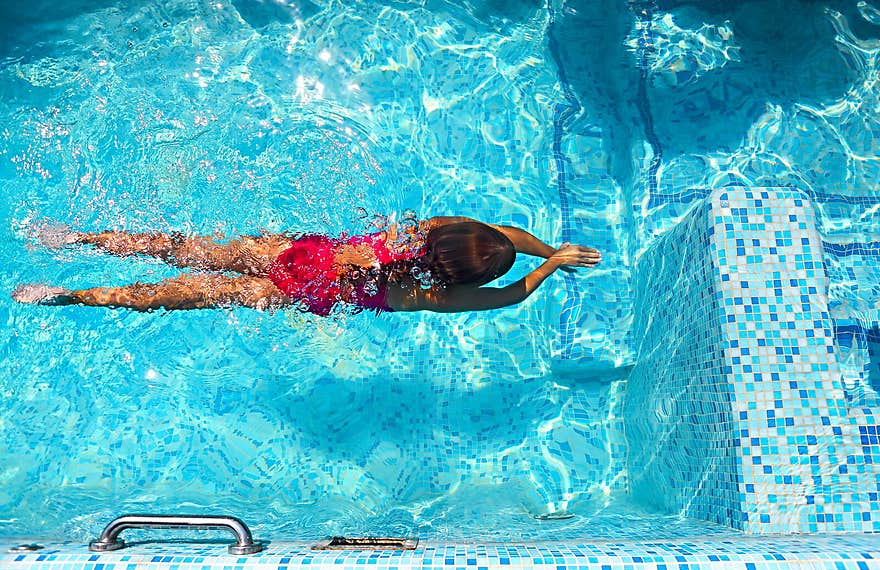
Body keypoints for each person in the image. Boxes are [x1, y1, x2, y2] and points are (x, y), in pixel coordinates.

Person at [11, 215, 601, 315]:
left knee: (187, 249)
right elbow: (512, 296)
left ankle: (78, 238)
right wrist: (548, 266)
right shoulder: (430, 294)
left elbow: (503, 235)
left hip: (297, 255)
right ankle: (64, 296)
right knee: (176, 292)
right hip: (295, 294)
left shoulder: (424, 231)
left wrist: (548, 248)